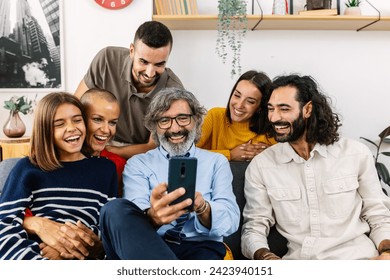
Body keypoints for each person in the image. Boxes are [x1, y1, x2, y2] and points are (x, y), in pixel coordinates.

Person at [241, 74, 390, 260]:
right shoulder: (262, 166)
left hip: (359, 260)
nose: (274, 117)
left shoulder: (355, 153)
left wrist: (387, 253)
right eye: (270, 109)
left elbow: (379, 215)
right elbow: (254, 227)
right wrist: (265, 256)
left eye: (284, 108)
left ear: (308, 109)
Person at [99, 88, 240, 260]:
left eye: (182, 118)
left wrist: (203, 207)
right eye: (164, 120)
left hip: (201, 248)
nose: (174, 128)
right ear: (154, 127)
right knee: (113, 209)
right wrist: (153, 217)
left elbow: (231, 222)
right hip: (151, 246)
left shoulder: (216, 162)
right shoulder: (138, 164)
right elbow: (132, 220)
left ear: (196, 120)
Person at [0, 92, 117, 260]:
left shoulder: (105, 169)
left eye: (77, 120)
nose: (72, 128)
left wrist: (70, 249)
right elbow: (5, 222)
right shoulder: (27, 168)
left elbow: (108, 223)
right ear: (45, 130)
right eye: (59, 124)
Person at [74, 21, 184, 159]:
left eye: (159, 64)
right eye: (143, 62)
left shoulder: (173, 91)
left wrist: (107, 152)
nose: (150, 73)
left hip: (144, 154)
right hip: (99, 143)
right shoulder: (107, 59)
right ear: (132, 51)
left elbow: (152, 147)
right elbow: (76, 106)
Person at [197, 70, 276, 161]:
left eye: (250, 101)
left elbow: (289, 156)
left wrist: (272, 154)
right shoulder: (215, 116)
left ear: (260, 107)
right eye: (237, 95)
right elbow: (187, 154)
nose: (239, 105)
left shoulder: (270, 128)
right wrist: (230, 155)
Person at [80, 88, 126, 197]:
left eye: (112, 122)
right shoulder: (59, 159)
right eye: (97, 119)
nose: (106, 130)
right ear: (80, 119)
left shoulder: (118, 165)